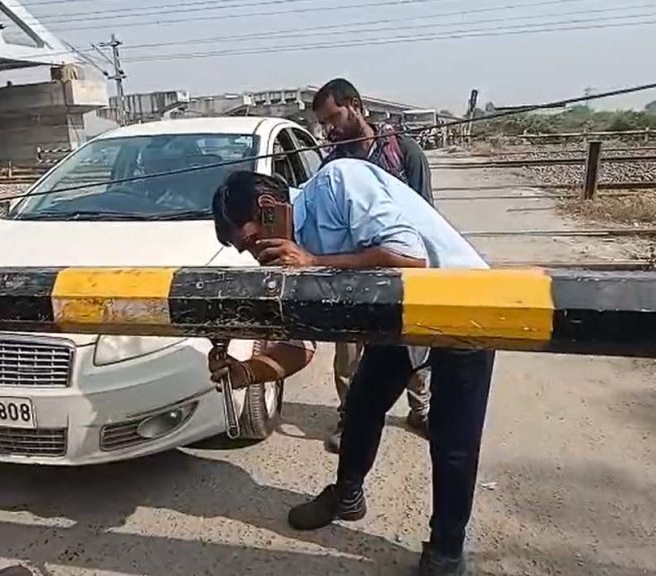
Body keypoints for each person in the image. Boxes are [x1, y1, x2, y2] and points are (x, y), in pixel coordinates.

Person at [209, 160, 495, 575]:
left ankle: (447, 547)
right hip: (401, 312)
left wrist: (314, 261)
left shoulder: (339, 182)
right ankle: (347, 495)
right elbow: (298, 348)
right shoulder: (287, 255)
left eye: (252, 241)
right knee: (361, 405)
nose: (256, 255)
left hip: (466, 304)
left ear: (270, 206)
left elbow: (410, 259)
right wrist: (245, 373)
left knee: (453, 439)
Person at [312, 78, 435, 451]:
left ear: (355, 105)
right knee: (348, 351)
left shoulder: (403, 152)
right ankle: (350, 417)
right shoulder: (334, 165)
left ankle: (422, 410)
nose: (329, 129)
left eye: (333, 117)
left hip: (403, 269)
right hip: (353, 272)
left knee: (413, 345)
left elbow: (428, 217)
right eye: (323, 123)